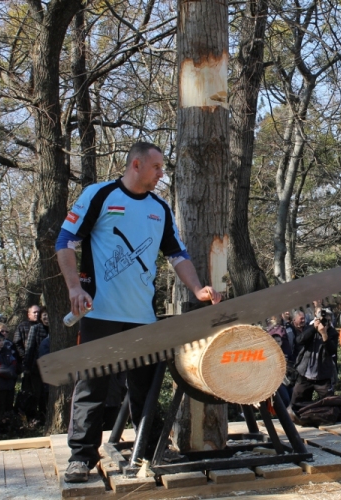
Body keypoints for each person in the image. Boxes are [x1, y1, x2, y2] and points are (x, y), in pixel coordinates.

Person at [55, 141, 221, 483]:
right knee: (92, 387)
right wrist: (74, 287)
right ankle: (81, 458)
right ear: (136, 164)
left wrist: (197, 288)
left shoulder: (159, 208)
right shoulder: (99, 195)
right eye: (157, 167)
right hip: (100, 312)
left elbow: (177, 254)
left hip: (142, 317)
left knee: (145, 389)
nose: (162, 174)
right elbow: (65, 242)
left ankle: (148, 450)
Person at [289, 309, 337, 414]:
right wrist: (313, 328)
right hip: (305, 374)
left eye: (328, 321)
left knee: (330, 406)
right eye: (323, 321)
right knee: (296, 404)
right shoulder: (310, 329)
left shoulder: (332, 333)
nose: (326, 323)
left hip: (322, 376)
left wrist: (324, 334)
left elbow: (332, 351)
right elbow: (299, 340)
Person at [23, 309, 49, 421]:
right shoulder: (35, 328)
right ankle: (33, 417)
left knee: (47, 393)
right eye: (44, 316)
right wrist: (27, 367)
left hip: (52, 366)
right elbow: (29, 348)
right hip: (36, 367)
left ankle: (45, 415)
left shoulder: (57, 329)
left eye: (48, 315)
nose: (46, 318)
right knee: (36, 393)